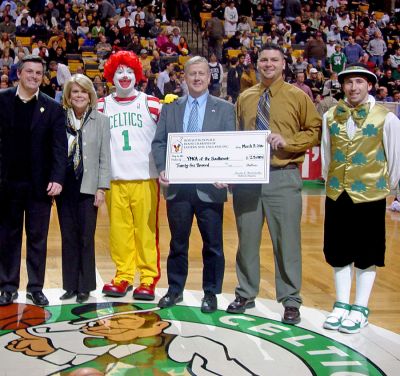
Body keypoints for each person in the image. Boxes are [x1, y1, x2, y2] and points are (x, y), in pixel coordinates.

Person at [226, 44, 321, 324]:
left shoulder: (297, 96)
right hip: (249, 180)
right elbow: (236, 136)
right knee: (247, 240)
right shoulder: (245, 97)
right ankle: (245, 292)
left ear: (283, 64)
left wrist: (289, 142)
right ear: (257, 63)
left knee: (287, 242)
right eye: (263, 59)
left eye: (274, 60)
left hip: (283, 175)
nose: (268, 64)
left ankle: (291, 300)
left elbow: (314, 130)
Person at [151, 56, 236, 313]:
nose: (197, 78)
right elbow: (159, 143)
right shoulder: (171, 108)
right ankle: (175, 289)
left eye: (202, 74)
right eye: (192, 74)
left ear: (209, 78)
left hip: (210, 189)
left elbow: (230, 147)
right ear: (184, 78)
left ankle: (210, 293)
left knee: (213, 244)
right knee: (178, 243)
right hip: (178, 189)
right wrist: (163, 167)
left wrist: (227, 173)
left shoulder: (224, 109)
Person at [321, 64, 400, 333]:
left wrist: (387, 187)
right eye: (349, 83)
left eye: (359, 82)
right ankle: (342, 304)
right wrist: (331, 180)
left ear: (369, 85)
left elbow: (395, 156)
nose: (353, 87)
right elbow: (327, 153)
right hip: (337, 192)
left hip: (370, 195)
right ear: (341, 86)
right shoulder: (331, 116)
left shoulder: (385, 117)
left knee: (367, 252)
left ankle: (361, 307)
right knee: (338, 250)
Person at [0, 55, 67, 306]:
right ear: (19, 74)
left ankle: (36, 287)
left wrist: (57, 178)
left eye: (39, 73)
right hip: (7, 184)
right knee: (8, 237)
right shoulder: (3, 99)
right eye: (29, 72)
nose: (34, 76)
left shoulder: (52, 107)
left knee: (38, 238)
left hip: (40, 186)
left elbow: (59, 148)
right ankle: (7, 286)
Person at [98, 51, 162, 301]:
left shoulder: (153, 103)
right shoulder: (101, 105)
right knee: (119, 231)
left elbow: (166, 139)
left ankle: (147, 278)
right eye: (118, 72)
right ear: (110, 76)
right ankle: (123, 274)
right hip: (114, 179)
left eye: (129, 71)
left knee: (146, 232)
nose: (124, 76)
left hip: (145, 178)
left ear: (137, 75)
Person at [56, 74, 111, 304]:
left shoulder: (101, 120)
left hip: (88, 187)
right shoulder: (58, 119)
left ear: (91, 95)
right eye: (75, 91)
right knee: (68, 237)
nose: (79, 95)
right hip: (64, 186)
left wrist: (101, 188)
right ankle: (69, 285)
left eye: (83, 91)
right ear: (68, 96)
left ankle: (85, 286)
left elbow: (104, 158)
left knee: (86, 237)